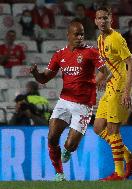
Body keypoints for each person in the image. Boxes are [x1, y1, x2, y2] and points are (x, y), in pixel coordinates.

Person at [30, 19, 109, 181]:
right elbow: (44, 79)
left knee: (70, 145)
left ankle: (68, 149)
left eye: (82, 34)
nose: (80, 37)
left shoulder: (91, 52)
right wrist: (35, 73)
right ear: (68, 35)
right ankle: (59, 174)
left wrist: (94, 82)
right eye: (77, 34)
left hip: (84, 105)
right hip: (64, 102)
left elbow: (104, 70)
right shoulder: (60, 54)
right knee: (52, 137)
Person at [93, 6, 132, 181]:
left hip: (120, 87)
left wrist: (127, 92)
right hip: (111, 85)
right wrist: (94, 83)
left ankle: (119, 173)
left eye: (105, 18)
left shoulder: (117, 38)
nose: (102, 21)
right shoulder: (99, 40)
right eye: (99, 18)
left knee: (113, 129)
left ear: (111, 19)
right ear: (95, 20)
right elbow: (107, 68)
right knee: (98, 127)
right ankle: (129, 157)